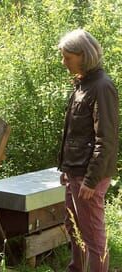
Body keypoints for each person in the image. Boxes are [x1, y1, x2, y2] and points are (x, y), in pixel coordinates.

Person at [58, 29, 119, 272]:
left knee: (93, 237)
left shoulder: (102, 87)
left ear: (83, 55)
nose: (64, 63)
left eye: (67, 57)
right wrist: (67, 168)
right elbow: (77, 134)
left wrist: (91, 180)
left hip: (88, 175)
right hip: (76, 171)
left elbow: (106, 139)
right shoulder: (83, 84)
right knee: (74, 228)